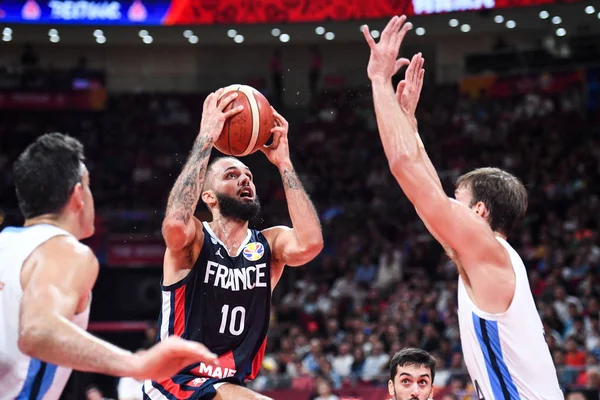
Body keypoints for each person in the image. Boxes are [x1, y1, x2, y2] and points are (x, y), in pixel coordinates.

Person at [363, 15, 563, 400]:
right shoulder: (490, 256)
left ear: (481, 212)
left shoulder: (487, 248)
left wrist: (378, 82)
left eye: (460, 200)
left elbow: (409, 174)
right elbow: (426, 200)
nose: (451, 207)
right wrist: (409, 124)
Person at [0, 133, 218, 400]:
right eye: (89, 186)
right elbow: (36, 332)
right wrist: (138, 364)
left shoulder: (5, 243)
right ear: (79, 194)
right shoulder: (64, 250)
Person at [144, 88, 323, 399]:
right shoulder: (196, 240)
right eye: (231, 174)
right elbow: (174, 224)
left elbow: (310, 244)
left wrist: (284, 163)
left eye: (249, 175)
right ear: (209, 197)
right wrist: (205, 139)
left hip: (230, 387)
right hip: (176, 383)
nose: (245, 180)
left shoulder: (269, 244)